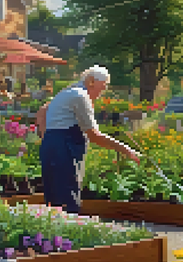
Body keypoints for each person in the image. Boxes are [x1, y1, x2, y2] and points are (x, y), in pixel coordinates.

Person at [38, 65, 140, 213]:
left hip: (51, 145)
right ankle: (69, 234)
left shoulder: (66, 92)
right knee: (68, 199)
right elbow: (94, 136)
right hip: (65, 148)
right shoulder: (80, 96)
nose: (102, 92)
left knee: (54, 200)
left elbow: (42, 112)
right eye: (102, 86)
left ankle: (53, 235)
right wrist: (125, 149)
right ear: (91, 81)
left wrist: (48, 137)